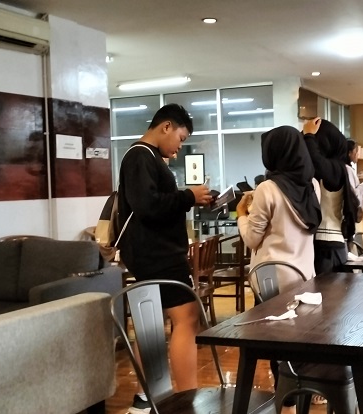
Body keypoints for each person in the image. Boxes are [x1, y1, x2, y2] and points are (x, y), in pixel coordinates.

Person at [117, 103, 214, 413]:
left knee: (151, 326)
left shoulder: (146, 157)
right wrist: (189, 196)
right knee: (187, 319)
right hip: (158, 255)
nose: (180, 146)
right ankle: (187, 400)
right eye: (181, 139)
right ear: (166, 127)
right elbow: (148, 205)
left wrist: (188, 198)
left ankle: (144, 399)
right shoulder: (140, 156)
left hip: (152, 253)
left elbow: (152, 202)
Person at [236, 125, 321, 290]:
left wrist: (241, 214)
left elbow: (252, 240)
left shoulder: (267, 188)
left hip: (271, 279)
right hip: (305, 275)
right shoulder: (313, 186)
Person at [303, 118, 360, 275]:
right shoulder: (338, 168)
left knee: (327, 290)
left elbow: (315, 160)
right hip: (331, 245)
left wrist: (309, 136)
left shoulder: (334, 169)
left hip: (328, 247)